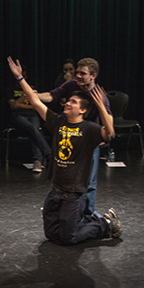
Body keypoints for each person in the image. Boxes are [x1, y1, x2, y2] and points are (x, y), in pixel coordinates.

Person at [7, 56, 121, 245]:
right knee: (52, 234)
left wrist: (101, 105)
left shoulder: (90, 126)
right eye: (68, 101)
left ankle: (99, 222)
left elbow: (110, 132)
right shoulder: (59, 120)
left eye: (73, 103)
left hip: (77, 176)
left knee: (87, 188)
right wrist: (20, 78)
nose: (67, 103)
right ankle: (79, 222)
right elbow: (38, 100)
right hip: (56, 189)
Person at [38, 57, 113, 217]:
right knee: (63, 177)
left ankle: (86, 216)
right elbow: (52, 96)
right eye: (77, 72)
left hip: (87, 143)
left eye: (82, 73)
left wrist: (100, 107)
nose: (77, 76)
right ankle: (66, 211)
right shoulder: (72, 85)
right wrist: (34, 96)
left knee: (89, 182)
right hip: (69, 138)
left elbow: (109, 122)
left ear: (93, 76)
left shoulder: (99, 94)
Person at [5, 65, 50, 172]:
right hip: (18, 116)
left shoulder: (32, 88)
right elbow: (13, 106)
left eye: (24, 77)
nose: (22, 79)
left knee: (34, 129)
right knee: (32, 129)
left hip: (32, 115)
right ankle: (48, 154)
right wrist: (25, 95)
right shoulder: (10, 89)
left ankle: (38, 161)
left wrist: (21, 104)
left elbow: (36, 106)